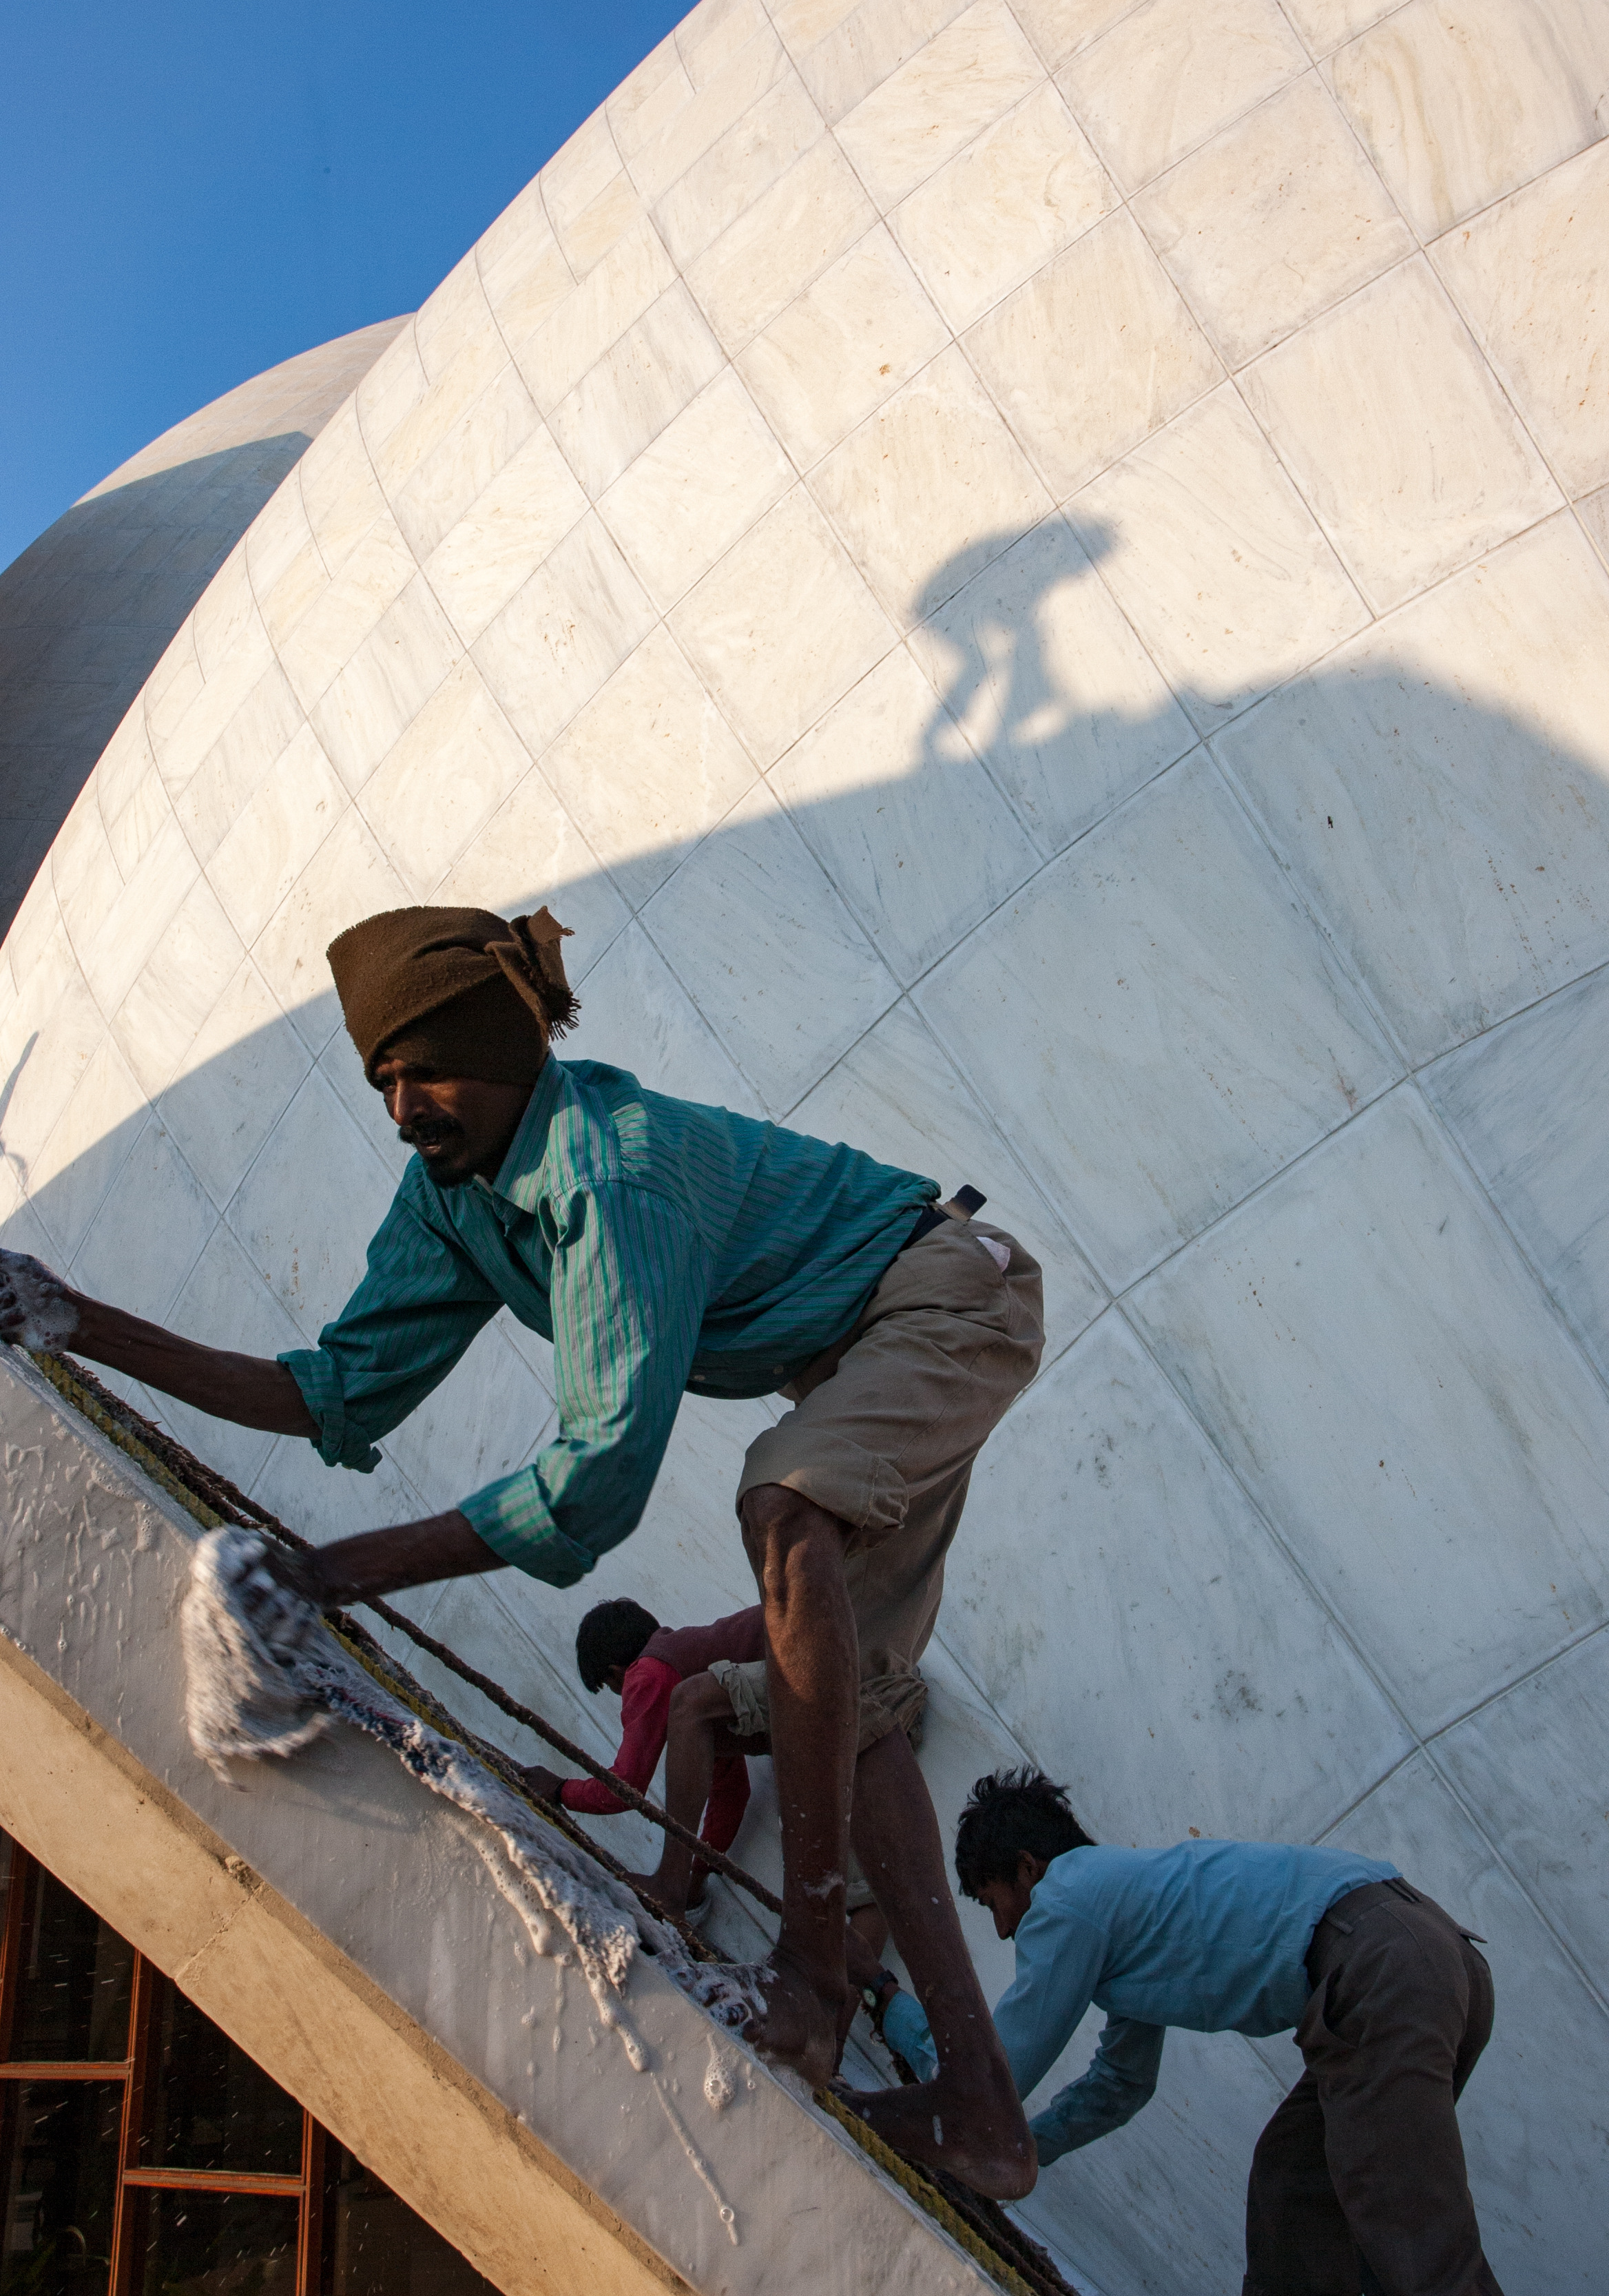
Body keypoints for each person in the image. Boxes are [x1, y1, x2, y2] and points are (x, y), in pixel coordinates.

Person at [0, 904, 1044, 2196]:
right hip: (861, 1351)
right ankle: (982, 2108)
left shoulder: (610, 1171)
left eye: (426, 1068)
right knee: (858, 1705)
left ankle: (814, 1975)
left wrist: (325, 1576)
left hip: (944, 1296)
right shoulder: (454, 1196)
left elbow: (598, 1479)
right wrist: (76, 1319)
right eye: (382, 1076)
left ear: (505, 1048)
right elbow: (334, 1390)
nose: (403, 1107)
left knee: (784, 1509)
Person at [868, 1770, 1503, 2295]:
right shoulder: (1126, 1908)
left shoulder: (1065, 1899)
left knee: (1413, 2232)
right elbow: (1120, 2085)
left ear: (1028, 1869)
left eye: (990, 1902)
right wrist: (1025, 2149)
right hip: (1429, 1960)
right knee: (1296, 2187)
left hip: (1379, 1971)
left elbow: (996, 2074)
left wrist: (900, 2026)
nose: (1004, 1930)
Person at [532, 1595, 891, 1962]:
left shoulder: (648, 1673)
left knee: (862, 1888)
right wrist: (698, 1875)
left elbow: (625, 1788)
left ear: (615, 1672)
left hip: (820, 1665)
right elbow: (731, 1796)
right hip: (864, 1667)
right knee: (871, 1890)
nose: (624, 1700)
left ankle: (670, 1884)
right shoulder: (703, 1686)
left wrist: (561, 1789)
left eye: (614, 1689)